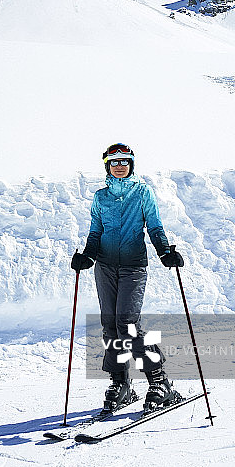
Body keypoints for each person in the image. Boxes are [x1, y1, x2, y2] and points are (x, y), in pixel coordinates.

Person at [71, 142, 184, 415]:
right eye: (114, 162)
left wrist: (165, 252)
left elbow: (154, 226)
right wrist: (87, 256)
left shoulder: (142, 192)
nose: (119, 166)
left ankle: (159, 382)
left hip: (133, 266)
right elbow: (96, 231)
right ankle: (120, 383)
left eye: (124, 161)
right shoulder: (101, 197)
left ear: (131, 165)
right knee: (110, 325)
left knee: (128, 325)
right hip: (105, 266)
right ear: (107, 166)